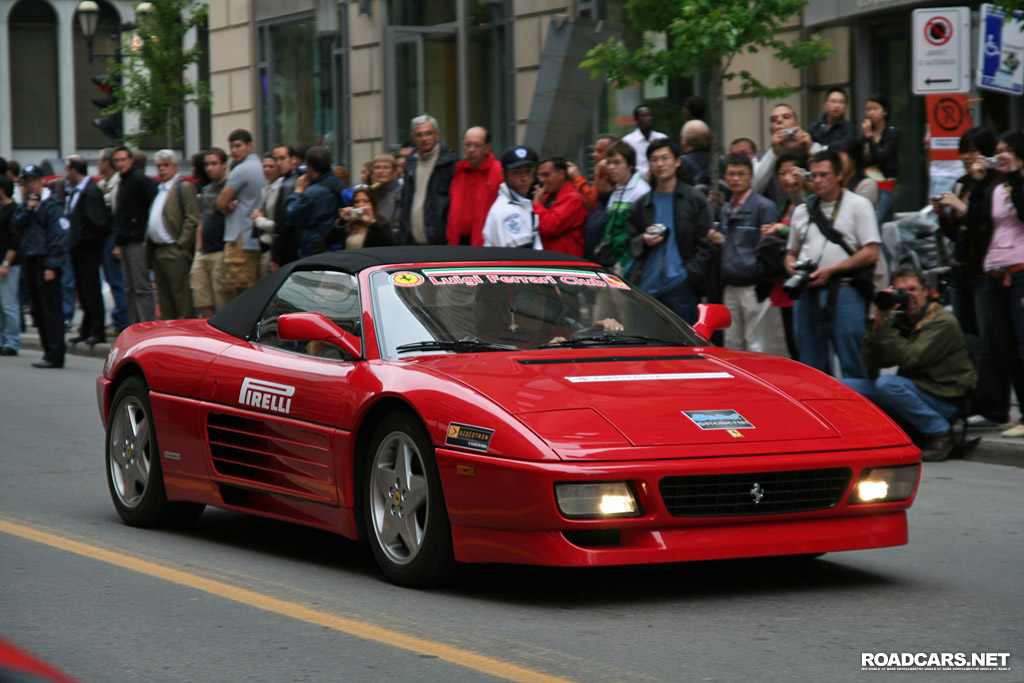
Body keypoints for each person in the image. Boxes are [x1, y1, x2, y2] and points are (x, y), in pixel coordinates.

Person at [842, 264, 976, 461]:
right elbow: (871, 361)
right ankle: (870, 437)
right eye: (900, 292)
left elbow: (910, 357)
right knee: (846, 386)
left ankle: (941, 433)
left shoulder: (942, 322)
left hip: (944, 400)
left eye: (912, 289)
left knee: (888, 384)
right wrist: (880, 319)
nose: (908, 296)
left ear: (926, 292)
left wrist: (887, 329)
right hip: (915, 393)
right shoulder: (901, 320)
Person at [785, 149, 880, 379]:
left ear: (839, 175)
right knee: (810, 363)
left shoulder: (859, 205)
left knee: (853, 358)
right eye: (813, 175)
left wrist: (833, 269)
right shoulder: (802, 211)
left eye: (824, 174)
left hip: (846, 288)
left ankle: (860, 409)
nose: (817, 181)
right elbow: (790, 253)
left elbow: (871, 251)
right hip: (809, 291)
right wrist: (793, 269)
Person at [965, 129, 1024, 438]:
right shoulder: (996, 188)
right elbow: (975, 221)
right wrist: (977, 182)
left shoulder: (1018, 183)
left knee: (1023, 344)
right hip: (993, 271)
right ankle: (1013, 413)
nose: (999, 155)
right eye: (997, 150)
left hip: (1020, 271)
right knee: (1003, 346)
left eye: (1006, 150)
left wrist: (1015, 173)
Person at [627, 139, 716, 323]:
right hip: (646, 287)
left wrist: (690, 274)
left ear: (677, 162)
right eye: (654, 159)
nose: (660, 164)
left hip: (681, 285)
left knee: (683, 347)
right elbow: (628, 242)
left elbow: (707, 241)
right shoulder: (641, 205)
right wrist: (643, 240)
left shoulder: (694, 199)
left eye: (665, 158)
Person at [708, 154, 785, 354]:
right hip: (730, 283)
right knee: (732, 342)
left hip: (753, 285)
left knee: (756, 342)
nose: (735, 179)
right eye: (731, 174)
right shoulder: (725, 209)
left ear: (751, 177)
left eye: (741, 174)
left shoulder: (763, 206)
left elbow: (769, 248)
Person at [934, 126, 999, 337]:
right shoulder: (961, 184)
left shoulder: (997, 185)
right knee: (966, 336)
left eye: (973, 151)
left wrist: (962, 208)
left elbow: (988, 228)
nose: (967, 157)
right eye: (963, 151)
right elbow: (955, 234)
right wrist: (943, 214)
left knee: (988, 335)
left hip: (983, 269)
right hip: (959, 268)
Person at [11, 165, 67, 368]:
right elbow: (15, 227)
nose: (30, 184)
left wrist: (52, 265)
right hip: (31, 261)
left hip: (46, 261)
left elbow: (58, 237)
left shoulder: (52, 204)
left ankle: (55, 353)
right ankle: (47, 351)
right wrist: (27, 210)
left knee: (50, 309)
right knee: (38, 310)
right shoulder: (27, 204)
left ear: (41, 181)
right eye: (27, 181)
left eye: (33, 180)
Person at [761, 150, 811, 360]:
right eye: (781, 173)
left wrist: (780, 229)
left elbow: (808, 232)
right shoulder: (785, 203)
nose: (786, 178)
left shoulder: (812, 200)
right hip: (784, 276)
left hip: (803, 275)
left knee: (803, 339)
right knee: (791, 341)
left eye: (792, 172)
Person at [146, 150, 200, 320]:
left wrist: (182, 245)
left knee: (180, 297)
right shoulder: (160, 189)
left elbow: (192, 218)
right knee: (164, 300)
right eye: (159, 166)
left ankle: (184, 335)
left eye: (166, 165)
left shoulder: (182, 187)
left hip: (174, 249)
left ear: (175, 167)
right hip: (158, 249)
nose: (161, 169)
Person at [64, 155, 110, 346]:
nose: (66, 174)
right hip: (79, 250)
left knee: (90, 290)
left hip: (88, 251)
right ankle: (86, 329)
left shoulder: (91, 191)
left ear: (74, 170)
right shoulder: (78, 191)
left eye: (68, 170)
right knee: (82, 291)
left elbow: (98, 223)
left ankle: (97, 331)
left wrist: (82, 241)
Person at [216, 128, 265, 300]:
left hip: (240, 236)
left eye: (238, 146)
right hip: (257, 234)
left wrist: (226, 205)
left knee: (241, 288)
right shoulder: (262, 167)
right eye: (232, 147)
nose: (234, 151)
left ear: (249, 146)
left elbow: (221, 202)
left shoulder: (241, 170)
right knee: (257, 285)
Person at [111, 145, 157, 324]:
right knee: (130, 288)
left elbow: (154, 201)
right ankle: (135, 325)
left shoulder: (139, 180)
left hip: (137, 240)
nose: (120, 163)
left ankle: (146, 325)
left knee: (141, 287)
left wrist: (146, 232)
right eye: (117, 161)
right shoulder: (122, 181)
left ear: (131, 160)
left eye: (123, 160)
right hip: (126, 241)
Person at [398, 114, 459, 245]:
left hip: (440, 241)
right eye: (419, 135)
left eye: (428, 134)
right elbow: (406, 200)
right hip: (412, 241)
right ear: (413, 138)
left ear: (437, 135)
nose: (424, 139)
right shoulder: (411, 161)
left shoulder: (450, 162)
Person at [753, 104, 822, 205]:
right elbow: (755, 188)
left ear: (797, 125)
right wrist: (773, 152)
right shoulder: (762, 158)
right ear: (771, 130)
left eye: (786, 117)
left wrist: (811, 147)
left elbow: (831, 172)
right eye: (774, 119)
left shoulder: (810, 148)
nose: (779, 121)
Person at [596, 140, 649, 268]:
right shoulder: (617, 190)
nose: (611, 167)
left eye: (617, 162)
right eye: (609, 162)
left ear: (630, 165)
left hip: (629, 262)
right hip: (613, 261)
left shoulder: (641, 191)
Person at [190, 148, 230, 319]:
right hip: (204, 251)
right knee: (201, 296)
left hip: (221, 249)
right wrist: (198, 250)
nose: (209, 168)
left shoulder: (230, 187)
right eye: (207, 164)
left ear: (224, 165)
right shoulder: (206, 189)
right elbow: (201, 220)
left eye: (214, 164)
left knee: (223, 296)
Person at [447, 126, 503, 246]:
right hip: (457, 242)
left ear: (487, 147)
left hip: (485, 244)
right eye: (468, 145)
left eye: (477, 145)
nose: (471, 150)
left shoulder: (498, 172)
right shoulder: (458, 170)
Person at [284, 146, 343, 258]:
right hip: (334, 245)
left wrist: (298, 191)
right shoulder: (338, 184)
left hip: (314, 249)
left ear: (310, 168)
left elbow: (291, 214)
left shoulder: (311, 193)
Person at [482, 145, 541, 249]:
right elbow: (523, 258)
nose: (524, 178)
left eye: (528, 171)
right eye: (517, 172)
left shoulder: (522, 203)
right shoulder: (508, 211)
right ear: (504, 174)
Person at [95, 146, 126, 335]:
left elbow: (118, 215)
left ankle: (122, 321)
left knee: (117, 280)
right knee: (112, 279)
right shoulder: (103, 184)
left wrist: (118, 243)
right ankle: (118, 318)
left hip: (114, 236)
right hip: (106, 237)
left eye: (99, 161)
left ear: (107, 163)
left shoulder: (118, 184)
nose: (97, 165)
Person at [533, 157, 588, 257]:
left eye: (546, 175)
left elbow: (549, 227)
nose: (541, 180)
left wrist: (537, 204)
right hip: (551, 262)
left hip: (567, 266)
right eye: (539, 176)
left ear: (562, 174)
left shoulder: (573, 199)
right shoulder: (546, 198)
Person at [861, 94, 899, 224]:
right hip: (869, 183)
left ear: (884, 111)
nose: (871, 113)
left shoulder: (892, 132)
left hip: (885, 183)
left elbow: (882, 157)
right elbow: (864, 159)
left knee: (876, 222)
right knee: (868, 221)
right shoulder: (866, 134)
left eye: (875, 109)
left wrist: (870, 138)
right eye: (868, 109)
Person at [328, 186, 396, 249]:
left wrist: (372, 223)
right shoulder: (349, 224)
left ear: (373, 204)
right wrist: (343, 221)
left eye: (366, 201)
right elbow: (329, 241)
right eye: (356, 202)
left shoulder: (382, 223)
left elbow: (390, 245)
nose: (360, 205)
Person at [270, 143, 302, 270]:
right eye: (276, 159)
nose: (278, 163)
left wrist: (276, 257)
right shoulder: (291, 181)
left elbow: (282, 223)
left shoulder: (289, 184)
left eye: (282, 158)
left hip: (289, 251)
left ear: (293, 159)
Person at [829, 136, 879, 211]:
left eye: (839, 156)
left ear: (853, 158)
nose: (835, 163)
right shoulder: (830, 184)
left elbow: (851, 212)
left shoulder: (867, 185)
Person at [0, 175, 20, 355]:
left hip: (9, 264)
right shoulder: (2, 209)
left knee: (9, 304)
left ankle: (12, 341)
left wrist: (7, 262)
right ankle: (2, 339)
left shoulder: (13, 210)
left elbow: (15, 241)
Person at [252, 152, 281, 275]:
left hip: (275, 248)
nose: (267, 170)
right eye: (264, 167)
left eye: (271, 166)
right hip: (264, 245)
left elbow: (280, 225)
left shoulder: (281, 188)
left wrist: (259, 221)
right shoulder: (266, 189)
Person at [622, 104, 668, 178]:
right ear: (636, 120)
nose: (649, 118)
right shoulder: (628, 141)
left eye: (650, 115)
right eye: (645, 116)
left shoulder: (662, 138)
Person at [370, 153, 403, 231]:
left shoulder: (401, 192)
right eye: (377, 168)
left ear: (394, 172)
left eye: (386, 168)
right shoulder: (371, 192)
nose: (381, 171)